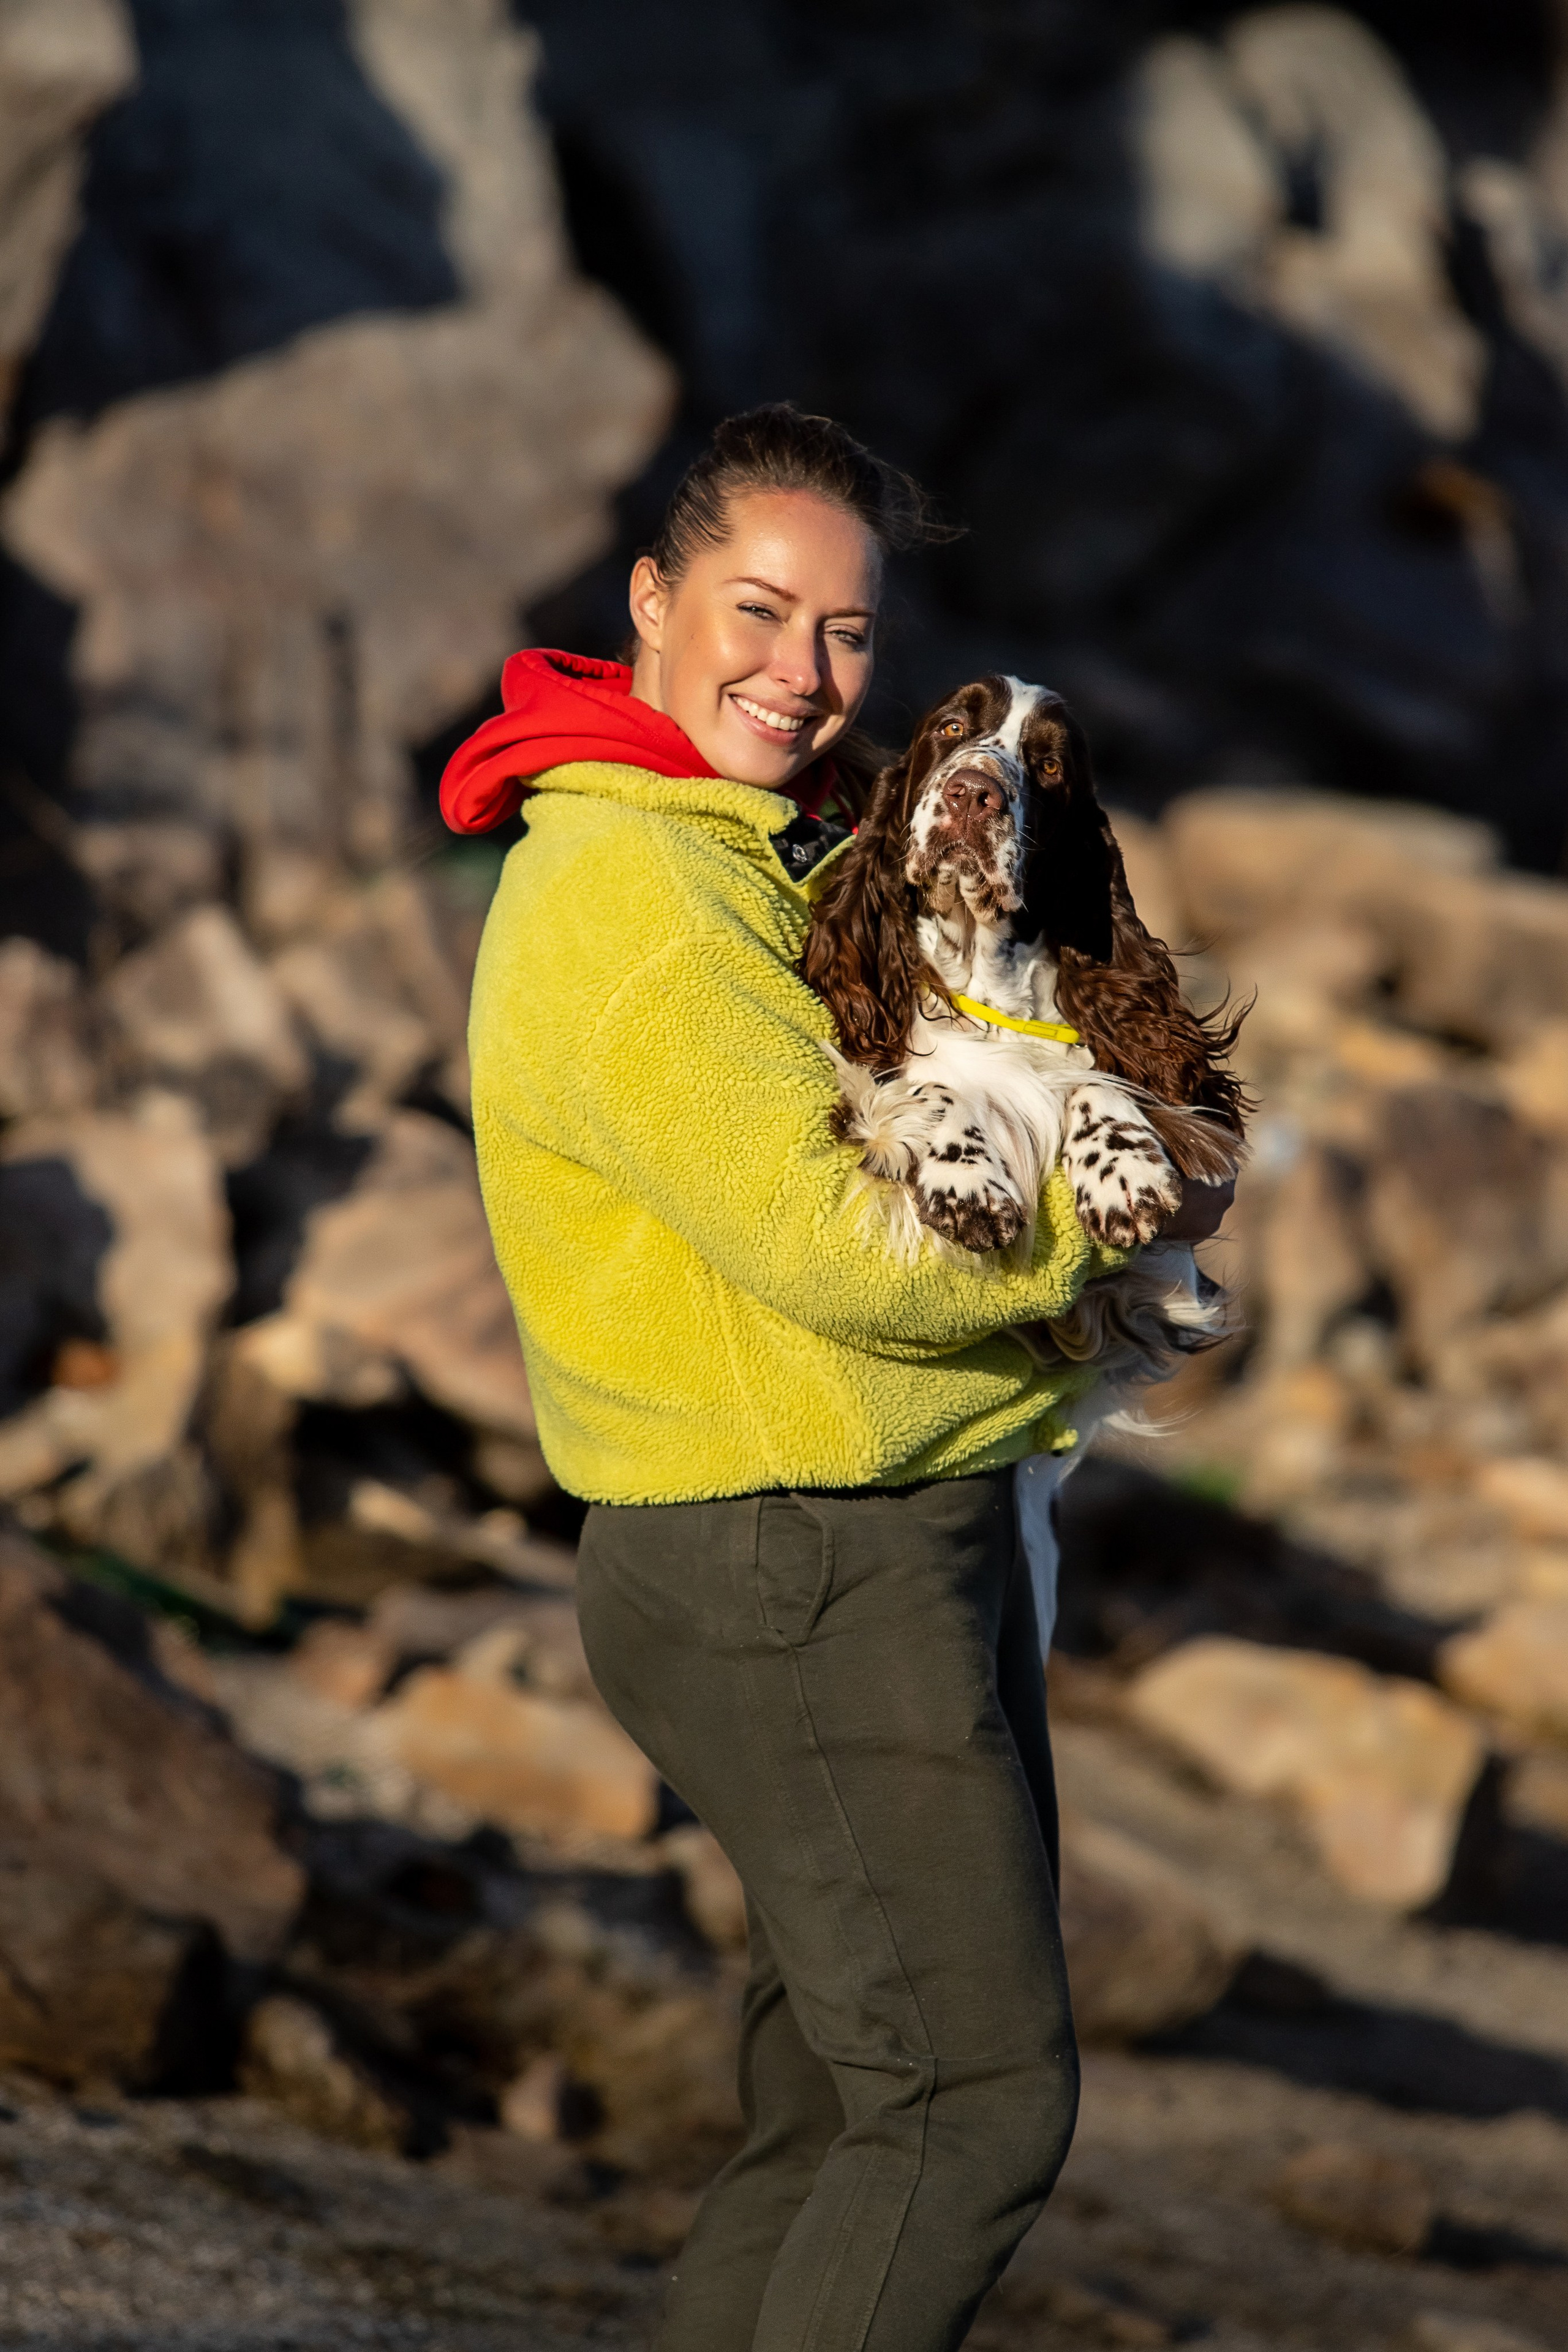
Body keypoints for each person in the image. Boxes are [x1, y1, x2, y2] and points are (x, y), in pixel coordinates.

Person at [444, 406, 1227, 2352]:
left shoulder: (749, 849)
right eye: (757, 611)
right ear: (650, 598)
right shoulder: (631, 898)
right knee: (969, 2107)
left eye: (849, 635)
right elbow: (851, 1255)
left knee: (832, 2123)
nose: (801, 676)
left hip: (881, 1539)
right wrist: (1114, 1222)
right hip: (791, 1562)